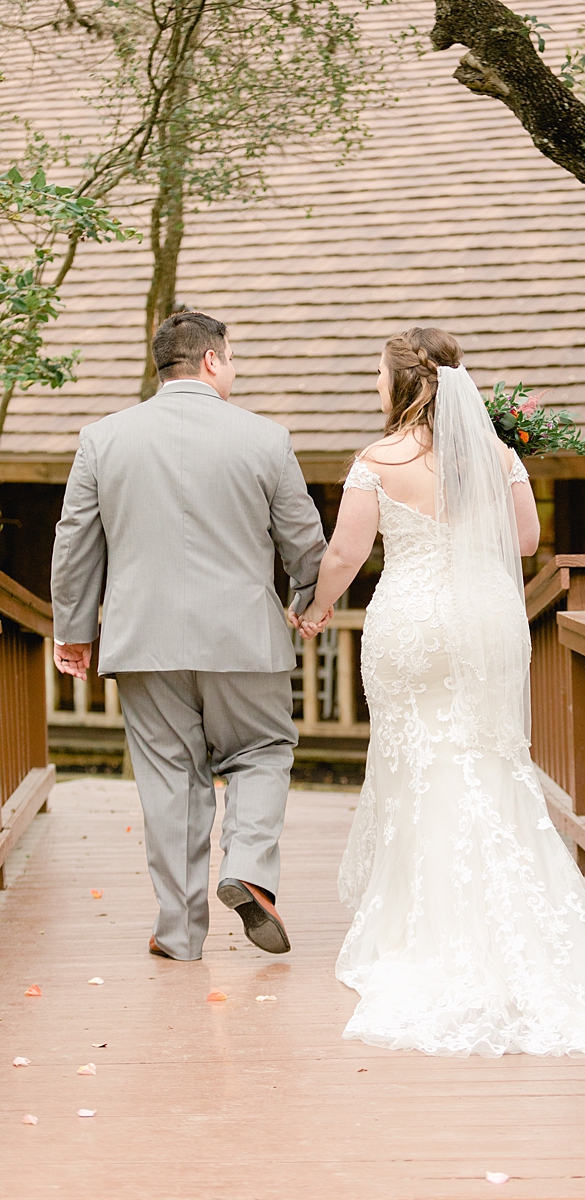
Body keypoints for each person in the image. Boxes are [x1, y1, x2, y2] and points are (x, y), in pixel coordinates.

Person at [298, 327, 585, 1058]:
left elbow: (345, 552)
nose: (372, 389)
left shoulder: (377, 460)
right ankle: (506, 917)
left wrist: (320, 606)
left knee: (417, 758)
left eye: (377, 377)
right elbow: (523, 541)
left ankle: (423, 925)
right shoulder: (499, 454)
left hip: (412, 623)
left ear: (402, 385)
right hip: (484, 623)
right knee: (484, 759)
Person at [51, 311, 328, 962]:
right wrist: (304, 602)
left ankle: (178, 934)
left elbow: (74, 543)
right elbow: (305, 544)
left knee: (170, 780)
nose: (233, 369)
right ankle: (251, 869)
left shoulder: (103, 438)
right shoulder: (267, 439)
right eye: (231, 358)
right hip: (244, 638)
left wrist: (74, 630)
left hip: (143, 640)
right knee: (262, 750)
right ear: (210, 360)